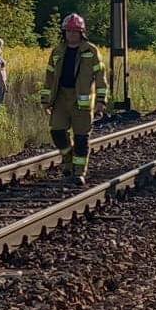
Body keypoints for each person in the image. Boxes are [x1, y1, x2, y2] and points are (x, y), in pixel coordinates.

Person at [40, 13, 107, 185]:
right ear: (64, 32)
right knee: (57, 132)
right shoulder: (57, 51)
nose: (71, 34)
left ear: (81, 33)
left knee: (81, 138)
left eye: (74, 31)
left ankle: (78, 172)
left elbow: (100, 76)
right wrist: (46, 100)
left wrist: (101, 100)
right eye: (68, 31)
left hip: (82, 102)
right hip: (61, 98)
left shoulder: (91, 51)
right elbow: (49, 77)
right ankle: (68, 158)